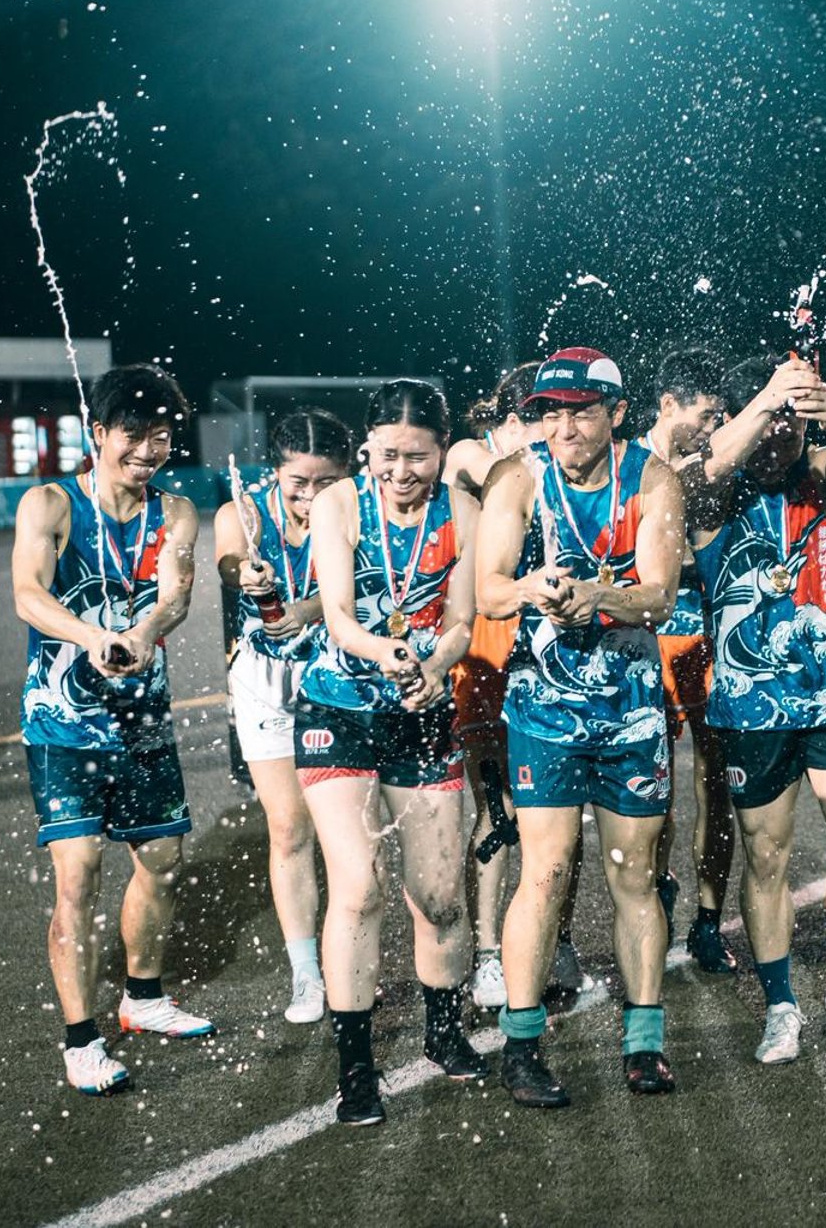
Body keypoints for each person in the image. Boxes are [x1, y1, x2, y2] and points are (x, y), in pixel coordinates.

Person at [478, 347, 685, 1106]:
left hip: (630, 712)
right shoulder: (518, 478)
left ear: (617, 413)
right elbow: (490, 591)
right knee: (546, 871)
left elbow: (660, 594)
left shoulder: (652, 478)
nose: (564, 426)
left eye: (582, 410)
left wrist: (597, 595)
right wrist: (535, 585)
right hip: (543, 711)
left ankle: (644, 1042)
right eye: (551, 412)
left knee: (633, 875)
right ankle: (522, 1044)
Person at [14, 364, 215, 1097]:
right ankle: (80, 1038)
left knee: (162, 858)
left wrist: (141, 630)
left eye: (162, 435)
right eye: (133, 433)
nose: (148, 449)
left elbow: (177, 597)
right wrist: (90, 636)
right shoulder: (50, 503)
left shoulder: (176, 513)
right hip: (62, 720)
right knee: (78, 875)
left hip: (142, 719)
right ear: (98, 433)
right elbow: (28, 592)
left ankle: (143, 997)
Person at [295, 380, 482, 1126]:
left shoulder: (461, 511)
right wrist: (389, 652)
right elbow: (339, 616)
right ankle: (357, 1070)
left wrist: (433, 670)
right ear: (366, 444)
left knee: (439, 894)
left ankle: (443, 1034)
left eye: (419, 456)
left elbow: (463, 619)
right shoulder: (340, 502)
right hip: (338, 708)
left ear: (442, 450)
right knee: (360, 884)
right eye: (388, 454)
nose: (401, 471)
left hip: (422, 710)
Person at [694, 353, 826, 1065]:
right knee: (766, 857)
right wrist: (767, 400)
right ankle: (780, 1004)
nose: (783, 434)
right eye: (774, 419)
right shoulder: (714, 490)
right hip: (752, 705)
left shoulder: (824, 472)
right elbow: (704, 469)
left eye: (790, 421)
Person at [442, 361, 591, 1009]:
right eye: (538, 416)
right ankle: (485, 955)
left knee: (564, 809)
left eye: (562, 415)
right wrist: (513, 452)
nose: (554, 431)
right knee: (495, 810)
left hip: (555, 652)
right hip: (489, 643)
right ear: (510, 422)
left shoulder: (567, 472)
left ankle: (557, 939)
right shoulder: (484, 461)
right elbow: (464, 461)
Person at [215, 408, 352, 1025]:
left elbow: (358, 586)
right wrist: (245, 573)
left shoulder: (353, 510)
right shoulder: (243, 513)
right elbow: (227, 558)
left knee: (347, 834)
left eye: (326, 482)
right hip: (265, 688)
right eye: (299, 482)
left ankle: (348, 953)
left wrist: (309, 609)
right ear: (277, 472)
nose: (311, 495)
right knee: (290, 829)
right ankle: (306, 974)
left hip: (337, 683)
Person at [637, 347, 739, 973]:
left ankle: (706, 920)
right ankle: (658, 897)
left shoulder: (712, 466)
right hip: (644, 643)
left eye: (718, 418)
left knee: (714, 783)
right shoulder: (630, 467)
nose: (709, 429)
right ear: (667, 406)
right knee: (654, 793)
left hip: (703, 634)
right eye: (702, 416)